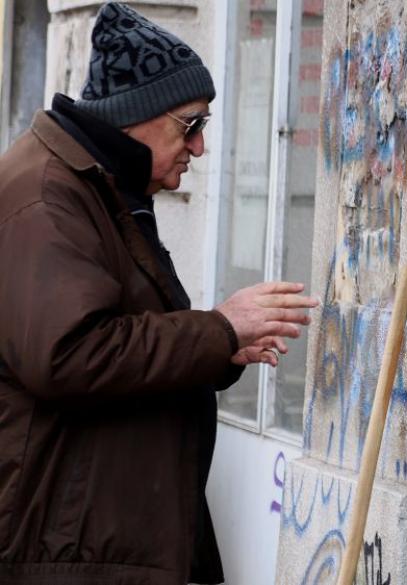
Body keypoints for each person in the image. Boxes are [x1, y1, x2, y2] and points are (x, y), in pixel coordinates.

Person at [0, 3, 316, 584]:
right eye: (190, 125)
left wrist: (220, 347)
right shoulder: (48, 196)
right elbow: (70, 355)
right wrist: (219, 328)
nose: (199, 148)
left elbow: (123, 332)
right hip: (64, 548)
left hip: (95, 538)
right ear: (133, 115)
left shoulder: (102, 185)